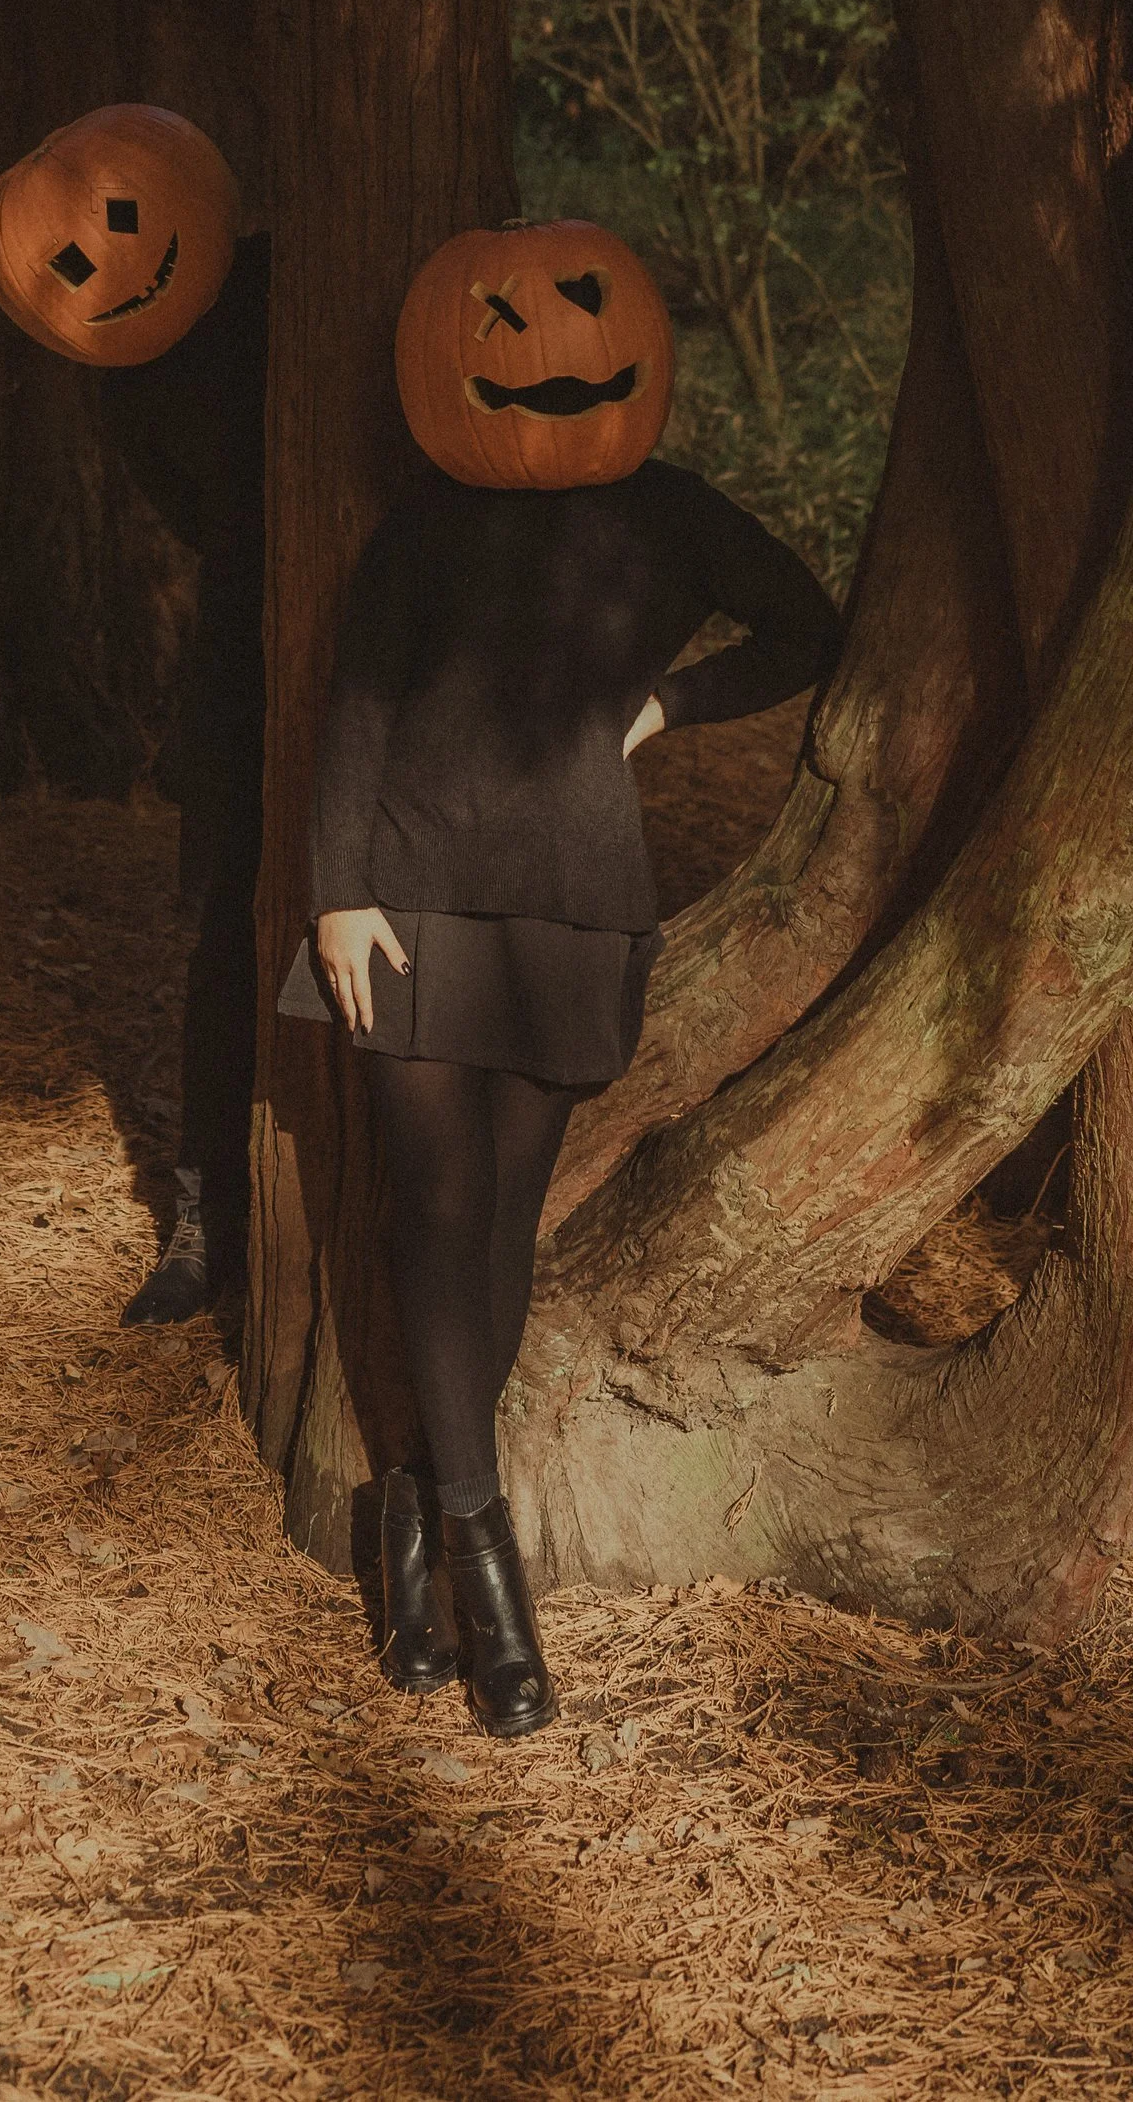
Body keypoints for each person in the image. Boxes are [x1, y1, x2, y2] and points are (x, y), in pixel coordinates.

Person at [278, 219, 838, 1735]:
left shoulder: (670, 517)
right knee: (430, 1215)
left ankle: (405, 1512)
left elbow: (810, 624)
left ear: (636, 344)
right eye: (506, 326)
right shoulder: (420, 524)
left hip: (576, 906)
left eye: (582, 315)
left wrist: (669, 701)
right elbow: (354, 709)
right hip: (403, 897)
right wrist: (336, 895)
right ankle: (487, 1566)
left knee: (502, 1231)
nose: (546, 353)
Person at [0, 105, 265, 1326]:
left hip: (386, 653)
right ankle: (213, 1213)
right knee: (227, 946)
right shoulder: (130, 374)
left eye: (122, 227)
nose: (103, 263)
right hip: (243, 672)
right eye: (74, 260)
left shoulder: (292, 282)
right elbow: (206, 523)